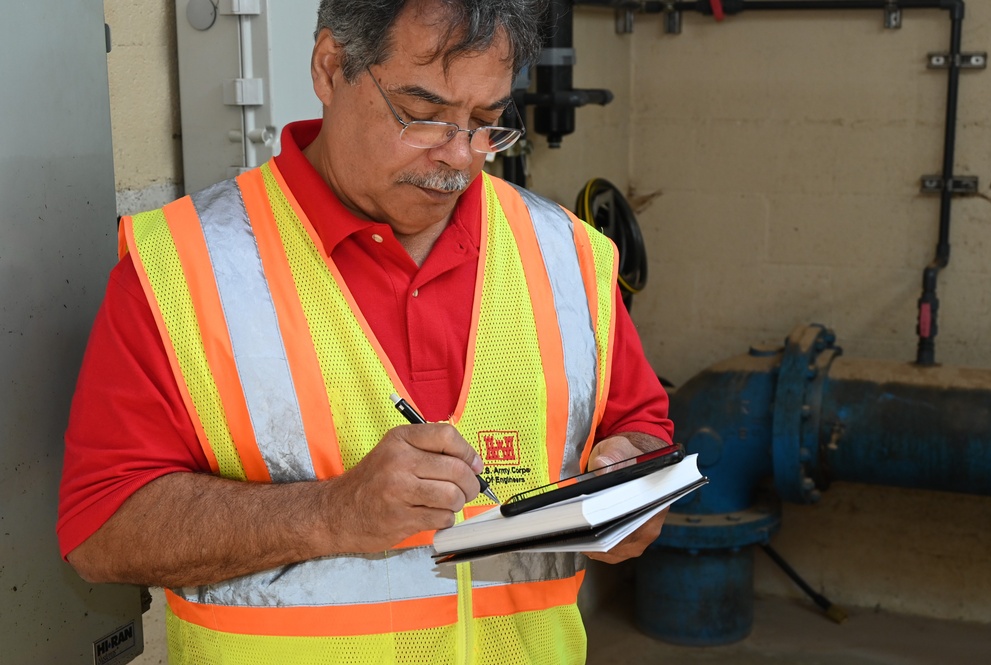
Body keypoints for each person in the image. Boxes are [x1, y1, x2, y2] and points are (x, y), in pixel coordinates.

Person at [58, 0, 674, 662]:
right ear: (330, 66)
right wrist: (333, 512)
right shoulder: (183, 268)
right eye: (423, 114)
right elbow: (103, 531)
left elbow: (637, 431)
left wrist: (633, 479)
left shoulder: (569, 257)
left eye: (487, 122)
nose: (459, 158)